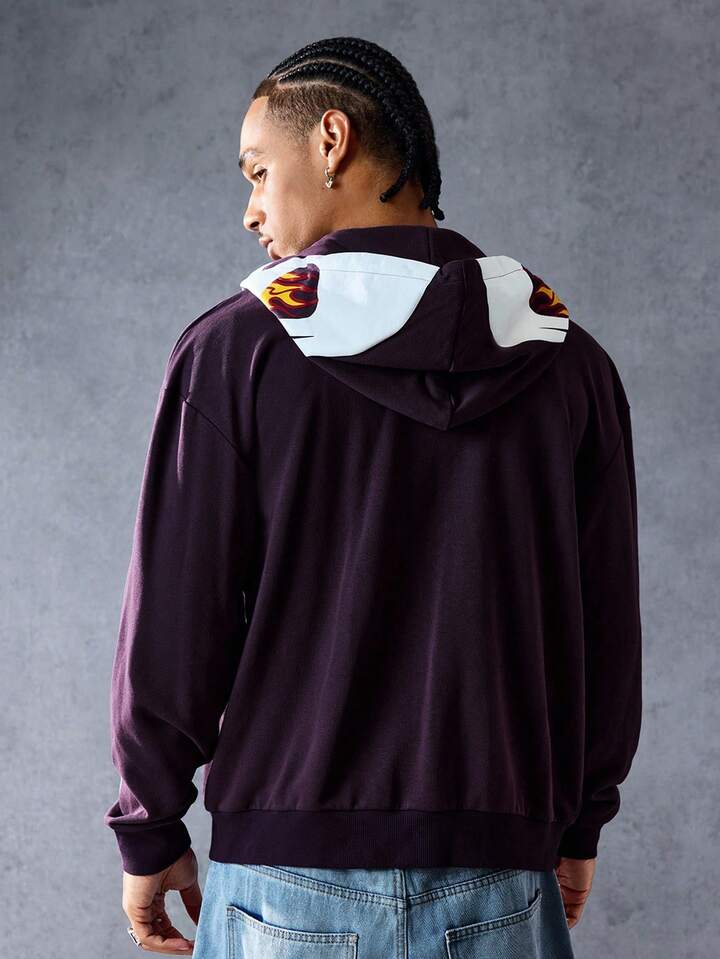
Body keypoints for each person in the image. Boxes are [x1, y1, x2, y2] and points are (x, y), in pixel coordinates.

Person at [104, 36, 642, 958]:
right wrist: (580, 820)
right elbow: (605, 636)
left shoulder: (232, 355)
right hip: (500, 866)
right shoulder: (571, 366)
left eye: (259, 171)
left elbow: (175, 624)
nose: (250, 209)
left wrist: (150, 826)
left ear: (332, 140)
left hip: (283, 876)